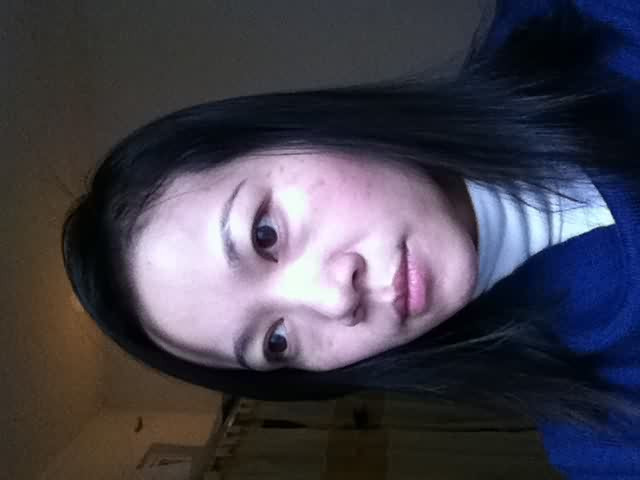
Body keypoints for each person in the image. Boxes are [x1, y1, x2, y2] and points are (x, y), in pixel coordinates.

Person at [62, 1, 640, 477]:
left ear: (290, 129)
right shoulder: (604, 437)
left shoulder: (582, 16)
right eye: (277, 342)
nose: (334, 299)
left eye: (265, 234)